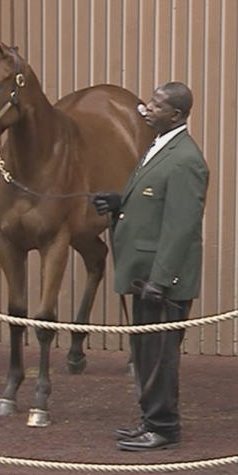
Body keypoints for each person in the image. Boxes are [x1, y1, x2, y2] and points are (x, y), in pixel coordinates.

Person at [91, 81, 210, 451]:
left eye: (156, 105)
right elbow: (151, 200)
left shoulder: (187, 160)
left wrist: (161, 279)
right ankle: (150, 419)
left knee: (160, 357)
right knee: (145, 353)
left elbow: (181, 226)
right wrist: (118, 202)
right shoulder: (160, 148)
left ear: (175, 115)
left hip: (161, 281)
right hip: (143, 274)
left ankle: (163, 427)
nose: (147, 108)